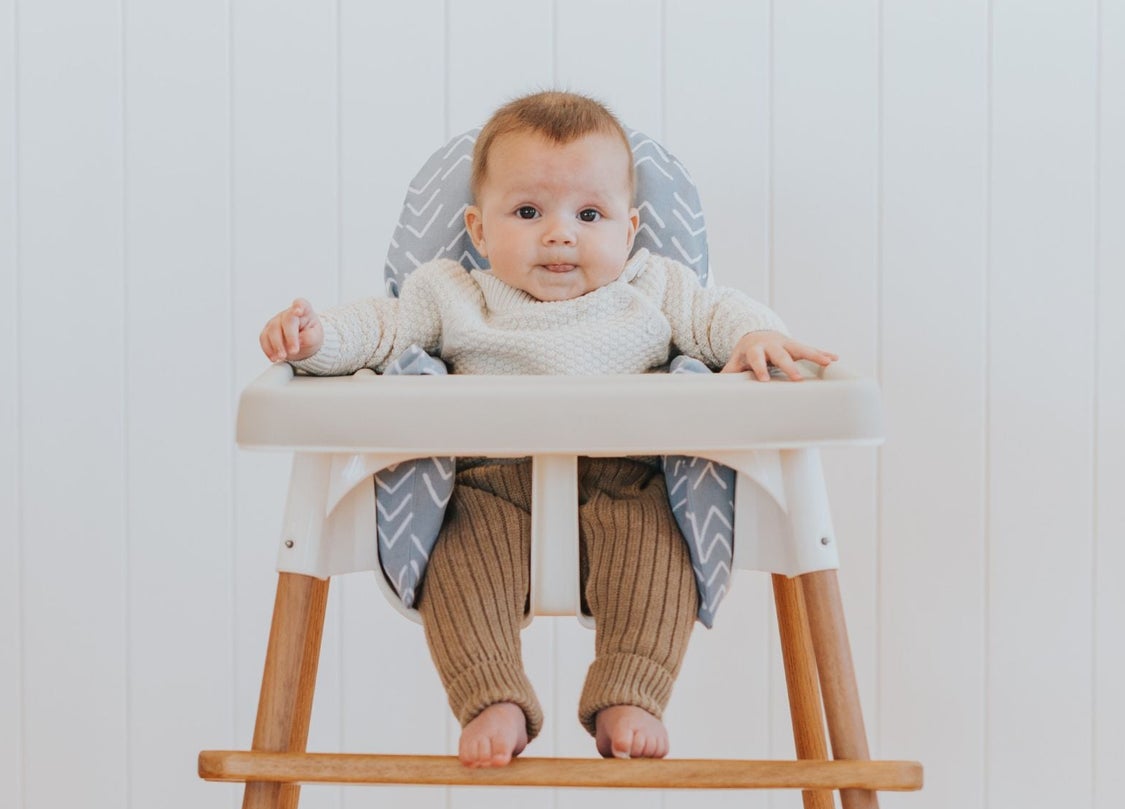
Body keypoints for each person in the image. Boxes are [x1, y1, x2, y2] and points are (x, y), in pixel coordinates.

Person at [258, 90, 837, 768]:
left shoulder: (653, 287)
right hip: (488, 487)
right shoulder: (449, 292)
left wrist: (757, 335)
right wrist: (316, 338)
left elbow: (718, 314)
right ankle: (491, 695)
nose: (559, 233)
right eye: (527, 212)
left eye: (588, 214)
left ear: (629, 228)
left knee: (658, 559)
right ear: (477, 229)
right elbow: (377, 329)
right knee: (458, 563)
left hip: (630, 482)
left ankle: (631, 690)